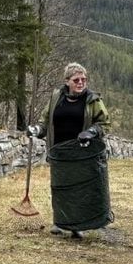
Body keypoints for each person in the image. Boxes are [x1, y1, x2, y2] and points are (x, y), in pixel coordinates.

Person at [27, 62, 113, 238]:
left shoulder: (93, 100)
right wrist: (36, 130)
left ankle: (77, 224)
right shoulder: (55, 97)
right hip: (59, 152)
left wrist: (91, 132)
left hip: (82, 153)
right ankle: (59, 222)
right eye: (76, 80)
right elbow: (46, 121)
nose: (81, 83)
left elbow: (104, 123)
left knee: (79, 189)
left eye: (84, 79)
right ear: (67, 81)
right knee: (60, 188)